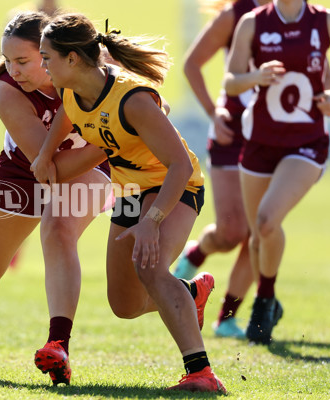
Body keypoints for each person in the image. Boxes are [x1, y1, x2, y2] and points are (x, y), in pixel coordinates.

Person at [32, 13, 227, 393]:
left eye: (46, 57)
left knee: (149, 268)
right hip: (129, 192)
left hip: (173, 186)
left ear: (72, 59)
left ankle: (201, 372)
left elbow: (180, 164)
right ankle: (189, 293)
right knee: (124, 304)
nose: (42, 66)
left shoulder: (132, 99)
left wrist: (152, 220)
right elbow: (66, 116)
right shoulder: (71, 90)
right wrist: (45, 153)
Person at [0, 11, 112, 386]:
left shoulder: (94, 73)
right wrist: (108, 142)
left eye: (22, 61)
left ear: (53, 55)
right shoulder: (8, 91)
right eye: (6, 60)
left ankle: (58, 345)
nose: (13, 70)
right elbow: (48, 168)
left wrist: (113, 142)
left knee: (60, 229)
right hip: (25, 171)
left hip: (88, 165)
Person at [224, 0, 330, 344]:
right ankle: (268, 300)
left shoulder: (328, 21)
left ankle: (264, 301)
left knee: (267, 220)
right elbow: (231, 82)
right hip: (260, 143)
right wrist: (256, 76)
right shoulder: (252, 23)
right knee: (255, 238)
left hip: (306, 142)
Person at [175, 0, 271, 339]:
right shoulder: (238, 12)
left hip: (275, 138)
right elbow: (192, 64)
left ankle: (227, 318)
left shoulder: (303, 17)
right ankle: (196, 251)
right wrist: (214, 113)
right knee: (233, 231)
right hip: (233, 134)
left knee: (261, 229)